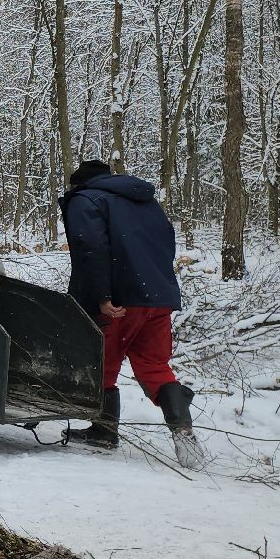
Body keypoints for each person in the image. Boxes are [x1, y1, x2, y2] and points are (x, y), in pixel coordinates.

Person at [59, 160, 205, 468]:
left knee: (101, 363)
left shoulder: (86, 199)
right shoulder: (143, 200)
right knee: (154, 365)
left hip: (120, 301)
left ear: (79, 183)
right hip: (159, 297)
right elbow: (166, 240)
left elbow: (91, 248)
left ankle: (103, 431)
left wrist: (102, 295)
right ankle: (182, 427)